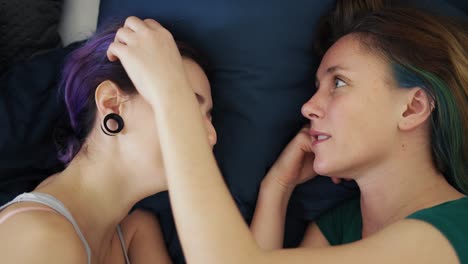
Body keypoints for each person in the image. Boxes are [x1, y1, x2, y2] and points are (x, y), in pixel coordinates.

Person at [102, 4, 467, 264]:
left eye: (339, 82)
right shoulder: (341, 225)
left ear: (412, 108)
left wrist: (171, 93)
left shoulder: (459, 227)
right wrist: (276, 188)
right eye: (316, 85)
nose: (309, 107)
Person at [0, 21, 216, 264]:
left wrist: (269, 192)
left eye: (209, 117)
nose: (212, 136)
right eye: (185, 105)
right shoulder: (40, 238)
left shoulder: (136, 231)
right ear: (112, 104)